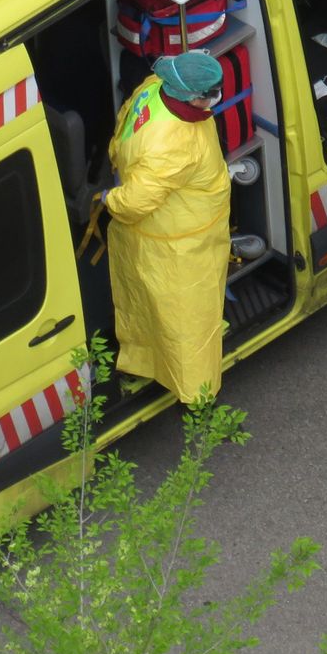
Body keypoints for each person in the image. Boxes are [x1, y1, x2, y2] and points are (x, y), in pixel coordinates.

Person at [103, 51, 231, 404]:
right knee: (189, 325)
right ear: (192, 96)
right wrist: (110, 201)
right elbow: (132, 203)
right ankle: (198, 397)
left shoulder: (152, 89)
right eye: (209, 94)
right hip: (180, 249)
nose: (212, 100)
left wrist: (115, 180)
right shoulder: (178, 145)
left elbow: (123, 128)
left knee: (143, 309)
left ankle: (142, 368)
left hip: (146, 239)